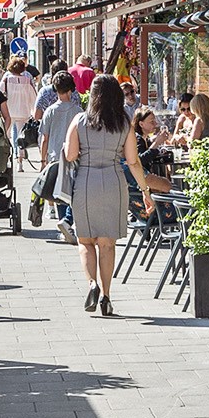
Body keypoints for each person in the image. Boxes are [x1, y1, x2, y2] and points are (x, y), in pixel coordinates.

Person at [65, 75, 154, 318]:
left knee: (85, 242)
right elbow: (133, 161)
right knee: (107, 244)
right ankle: (106, 296)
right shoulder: (124, 122)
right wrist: (145, 192)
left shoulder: (80, 120)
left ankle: (91, 283)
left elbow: (71, 155)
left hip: (86, 181)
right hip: (114, 182)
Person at [33, 71, 83, 238]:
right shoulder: (78, 111)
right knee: (74, 191)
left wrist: (42, 159)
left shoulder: (49, 111)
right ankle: (68, 222)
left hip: (55, 157)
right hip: (74, 156)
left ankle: (64, 223)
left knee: (60, 192)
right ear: (71, 90)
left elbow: (44, 138)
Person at [1, 58, 41, 169]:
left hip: (9, 112)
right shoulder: (27, 80)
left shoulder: (6, 79)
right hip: (24, 111)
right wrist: (34, 111)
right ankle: (20, 162)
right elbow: (34, 97)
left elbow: (0, 94)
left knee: (6, 136)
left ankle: (6, 159)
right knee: (21, 137)